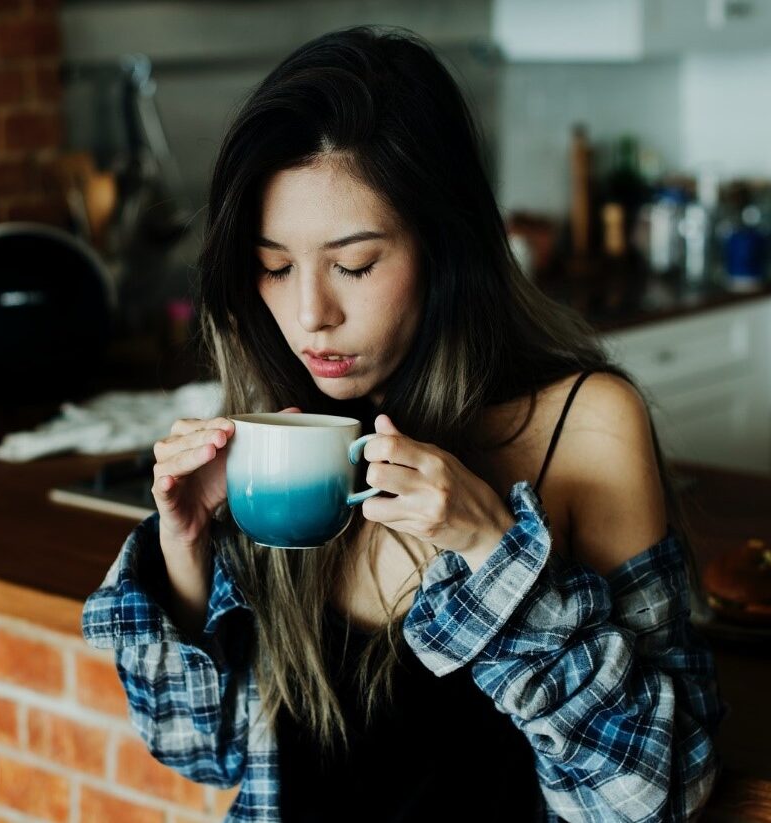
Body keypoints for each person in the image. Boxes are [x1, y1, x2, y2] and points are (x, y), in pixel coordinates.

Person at [82, 25, 725, 822]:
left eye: (353, 264)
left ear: (444, 247)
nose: (309, 314)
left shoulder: (583, 426)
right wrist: (184, 552)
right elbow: (199, 750)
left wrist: (495, 556)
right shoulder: (279, 433)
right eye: (274, 266)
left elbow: (657, 799)